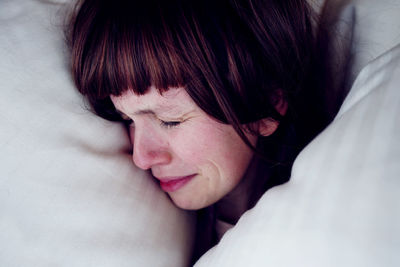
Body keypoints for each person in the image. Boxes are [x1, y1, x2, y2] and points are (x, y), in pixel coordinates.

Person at [67, 0, 332, 262]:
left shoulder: (323, 225)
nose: (142, 158)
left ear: (268, 103)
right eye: (128, 119)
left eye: (170, 120)